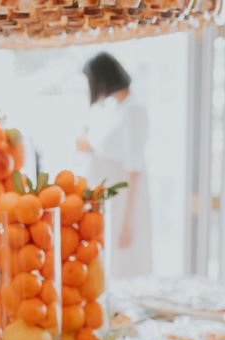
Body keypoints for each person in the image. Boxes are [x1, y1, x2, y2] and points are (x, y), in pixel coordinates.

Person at [77, 52, 152, 278]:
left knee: (126, 261)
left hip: (124, 200)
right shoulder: (116, 109)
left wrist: (127, 221)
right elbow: (113, 150)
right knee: (112, 262)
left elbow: (134, 166)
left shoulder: (135, 110)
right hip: (111, 199)